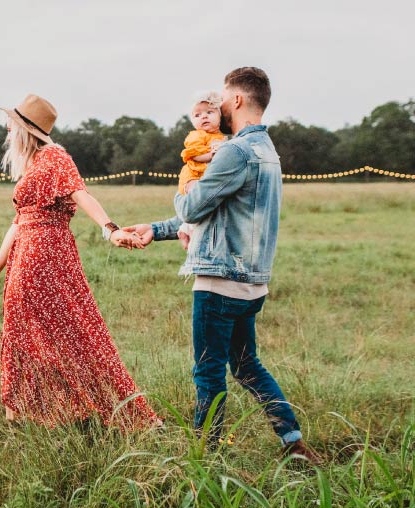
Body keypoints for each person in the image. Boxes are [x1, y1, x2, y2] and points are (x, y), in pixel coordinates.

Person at [126, 68, 320, 462]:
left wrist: (184, 189)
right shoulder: (267, 151)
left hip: (219, 282)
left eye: (223, 99)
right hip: (251, 284)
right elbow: (219, 213)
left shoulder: (234, 151)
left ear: (237, 101)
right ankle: (293, 442)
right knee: (247, 366)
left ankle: (205, 455)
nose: (217, 107)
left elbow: (195, 206)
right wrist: (157, 229)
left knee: (207, 371)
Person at [0, 94, 160, 429]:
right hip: (26, 256)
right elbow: (18, 223)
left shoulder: (54, 156)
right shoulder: (32, 164)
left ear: (24, 129)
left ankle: (98, 409)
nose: (6, 129)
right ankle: (27, 413)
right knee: (23, 332)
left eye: (11, 124)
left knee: (73, 331)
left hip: (46, 255)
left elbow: (81, 193)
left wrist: (110, 229)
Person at [177, 91, 226, 249]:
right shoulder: (197, 135)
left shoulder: (221, 137)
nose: (203, 117)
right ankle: (189, 230)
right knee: (198, 199)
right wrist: (210, 155)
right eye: (197, 115)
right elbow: (193, 154)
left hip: (204, 175)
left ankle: (185, 228)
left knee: (206, 203)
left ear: (220, 116)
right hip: (193, 175)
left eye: (209, 112)